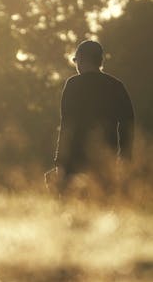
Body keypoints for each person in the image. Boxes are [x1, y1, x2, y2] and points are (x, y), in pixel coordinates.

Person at [53, 40, 134, 191]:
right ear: (100, 61)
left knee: (73, 206)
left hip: (74, 160)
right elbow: (127, 124)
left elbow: (66, 125)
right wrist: (124, 157)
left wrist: (60, 161)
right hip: (106, 158)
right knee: (104, 204)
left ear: (81, 59)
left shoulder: (73, 85)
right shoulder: (115, 85)